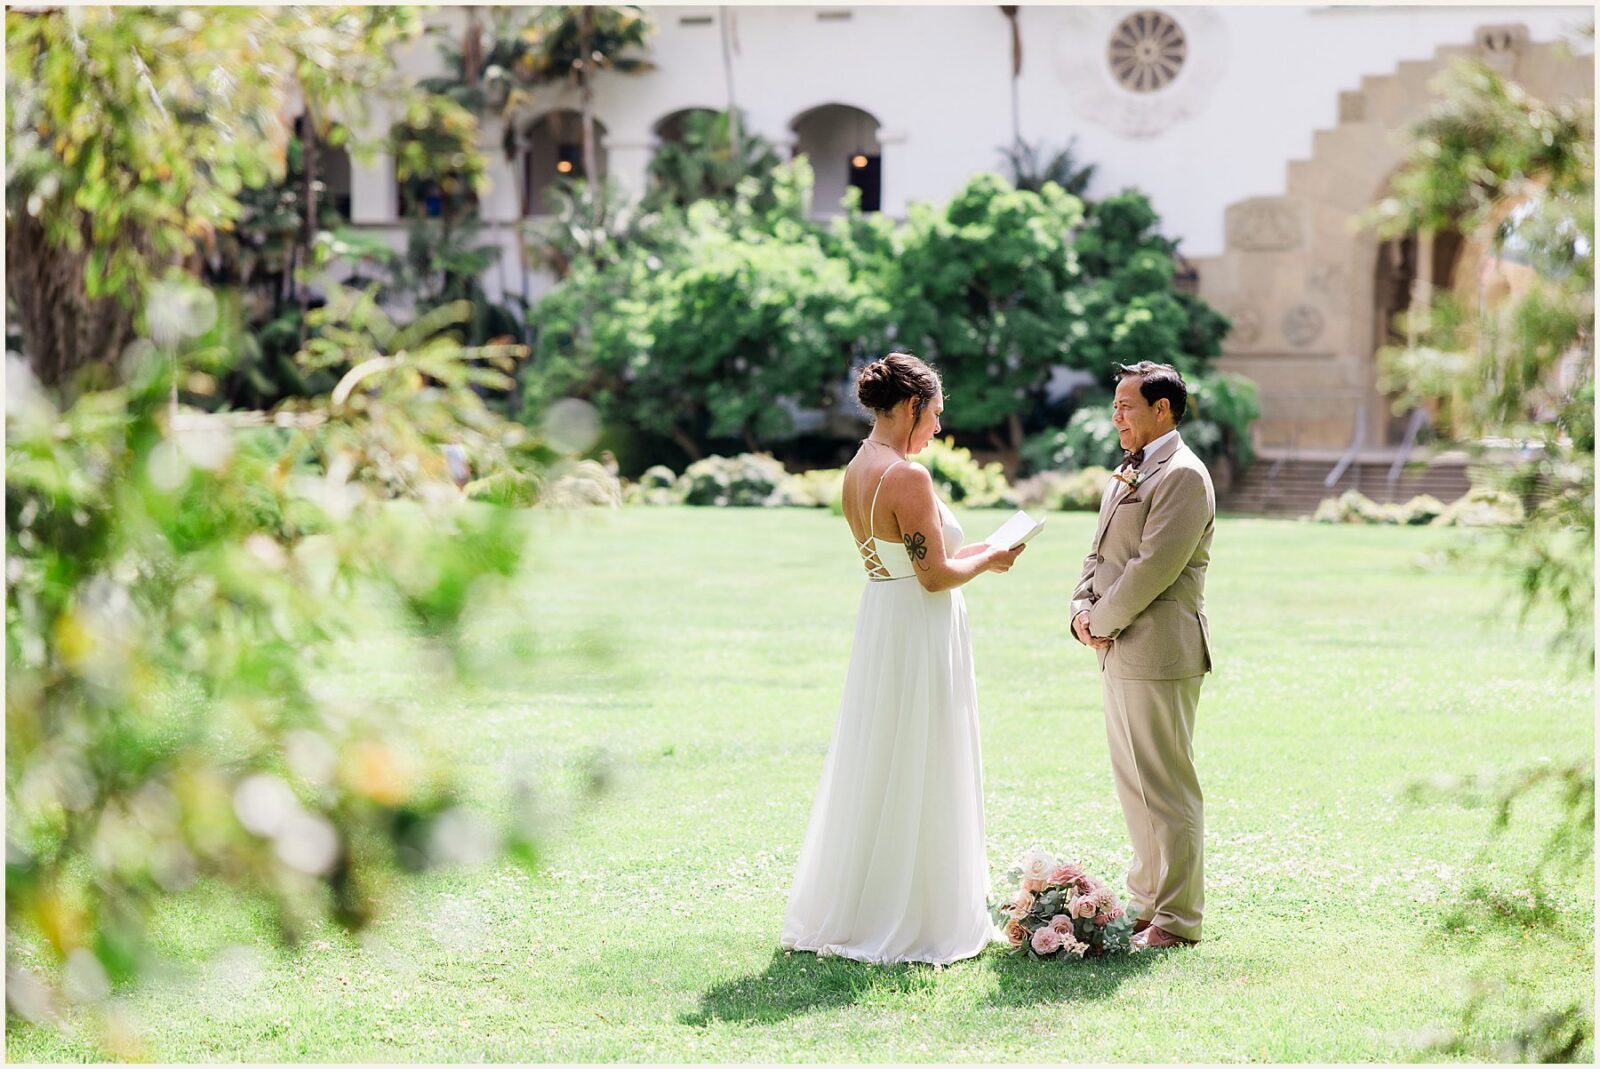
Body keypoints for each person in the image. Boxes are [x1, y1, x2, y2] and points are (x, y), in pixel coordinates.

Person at [780, 352, 1025, 966]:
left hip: (884, 618)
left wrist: (977, 550)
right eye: (935, 414)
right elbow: (937, 574)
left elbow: (903, 560)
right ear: (912, 406)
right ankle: (918, 912)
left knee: (882, 756)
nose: (938, 428)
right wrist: (992, 559)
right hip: (918, 626)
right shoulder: (907, 478)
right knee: (922, 754)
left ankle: (868, 898)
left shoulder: (858, 467)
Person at [1070, 361, 1215, 951]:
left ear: (1163, 410)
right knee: (1135, 785)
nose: (1116, 417)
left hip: (1158, 651)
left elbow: (1152, 568)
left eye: (1127, 406)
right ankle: (1146, 904)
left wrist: (1099, 622)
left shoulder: (1182, 475)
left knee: (1166, 787)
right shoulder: (1129, 472)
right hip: (1117, 649)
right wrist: (1080, 611)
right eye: (1115, 406)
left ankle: (1178, 922)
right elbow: (1100, 554)